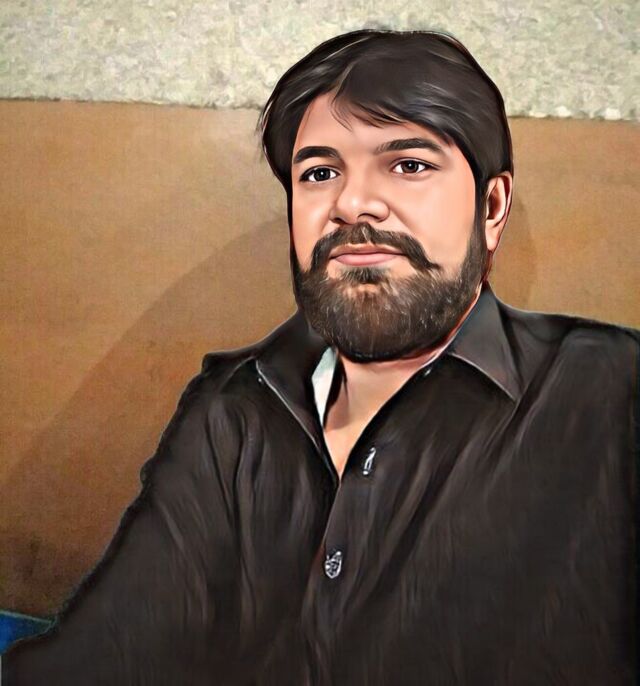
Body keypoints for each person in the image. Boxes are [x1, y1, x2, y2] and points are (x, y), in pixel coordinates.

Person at [2, 29, 638, 685]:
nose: (352, 204)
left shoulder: (609, 393)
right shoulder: (234, 407)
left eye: (408, 165)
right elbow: (102, 657)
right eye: (320, 173)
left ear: (492, 207)